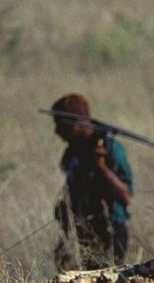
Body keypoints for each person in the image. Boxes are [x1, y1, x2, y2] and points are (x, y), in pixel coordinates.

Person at [51, 93, 134, 269]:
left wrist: (101, 168)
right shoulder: (71, 153)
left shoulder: (110, 148)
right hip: (82, 231)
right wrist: (65, 234)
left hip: (110, 229)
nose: (57, 131)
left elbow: (126, 197)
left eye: (60, 124)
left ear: (75, 123)